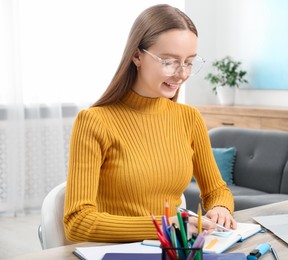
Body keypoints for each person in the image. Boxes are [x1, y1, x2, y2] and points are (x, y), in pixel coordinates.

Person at [64, 4, 237, 243]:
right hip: (117, 252)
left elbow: (217, 190)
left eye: (189, 62)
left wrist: (221, 209)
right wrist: (166, 226)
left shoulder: (189, 118)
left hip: (174, 248)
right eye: (169, 61)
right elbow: (78, 222)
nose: (182, 74)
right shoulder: (94, 122)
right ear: (137, 56)